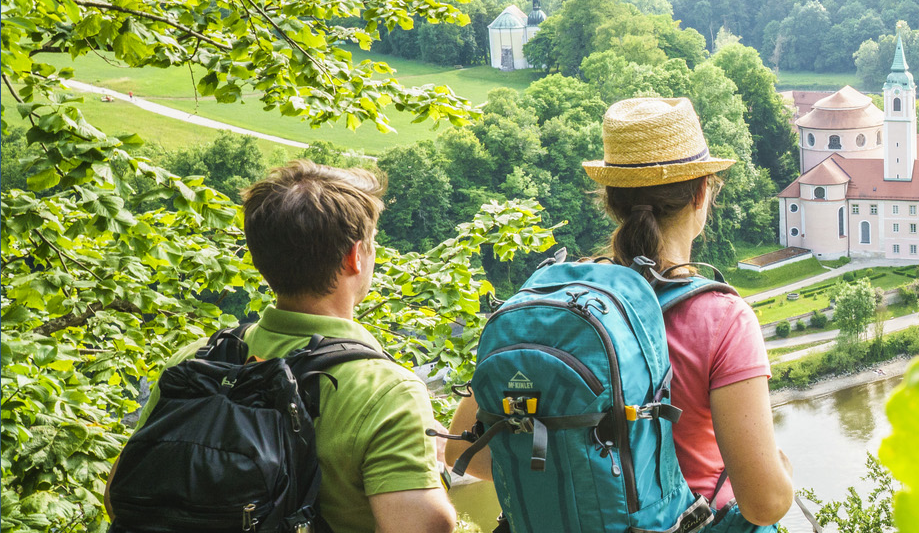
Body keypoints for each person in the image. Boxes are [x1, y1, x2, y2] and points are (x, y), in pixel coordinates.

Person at [446, 98, 794, 526]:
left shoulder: (552, 302)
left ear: (610, 200)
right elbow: (765, 503)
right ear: (702, 194)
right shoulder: (722, 319)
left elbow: (463, 453)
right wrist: (782, 469)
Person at [111, 161, 457, 533]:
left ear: (260, 256)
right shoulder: (386, 392)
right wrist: (430, 464)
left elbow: (118, 497)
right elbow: (420, 527)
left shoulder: (198, 360)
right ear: (355, 256)